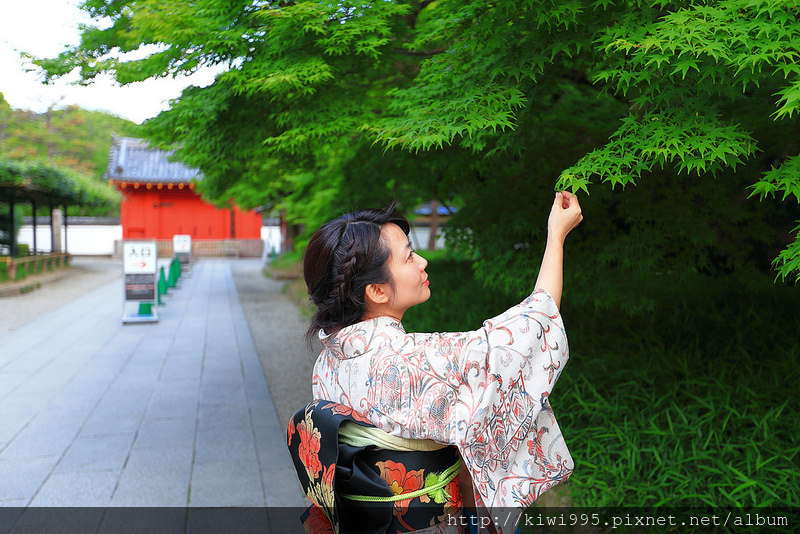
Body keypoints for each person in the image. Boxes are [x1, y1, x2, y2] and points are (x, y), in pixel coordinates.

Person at [293, 192, 583, 533]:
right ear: (377, 291)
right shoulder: (414, 360)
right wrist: (556, 236)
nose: (423, 262)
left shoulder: (329, 361)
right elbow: (530, 330)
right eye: (409, 256)